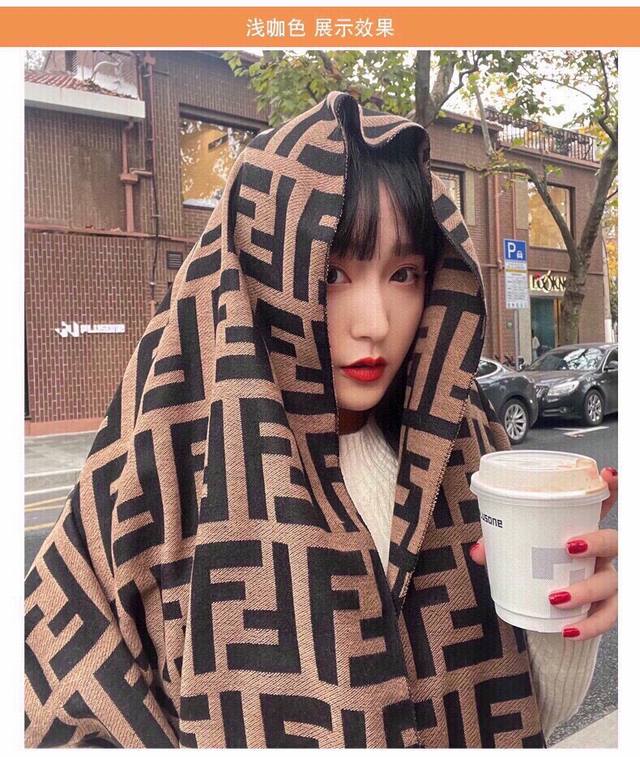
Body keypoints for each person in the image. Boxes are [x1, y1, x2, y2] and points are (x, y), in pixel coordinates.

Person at [24, 91, 618, 748]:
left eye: (404, 274)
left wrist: (567, 608)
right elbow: (57, 706)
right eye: (333, 273)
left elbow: (530, 716)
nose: (375, 323)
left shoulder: (467, 450)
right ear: (260, 274)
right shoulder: (161, 476)